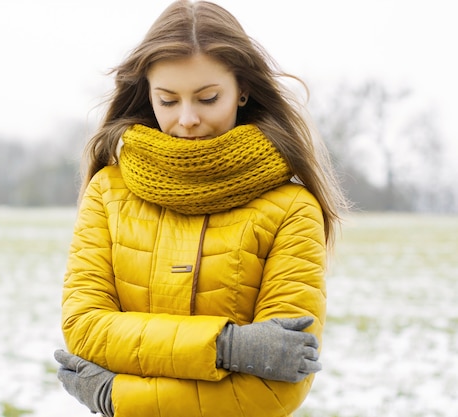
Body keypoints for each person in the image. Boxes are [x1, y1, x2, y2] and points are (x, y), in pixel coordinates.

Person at [54, 1, 348, 416]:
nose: (187, 118)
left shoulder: (293, 209)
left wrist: (116, 396)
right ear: (147, 94)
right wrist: (229, 348)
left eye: (208, 98)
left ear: (242, 89)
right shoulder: (107, 191)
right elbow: (85, 329)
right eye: (168, 100)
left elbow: (277, 390)